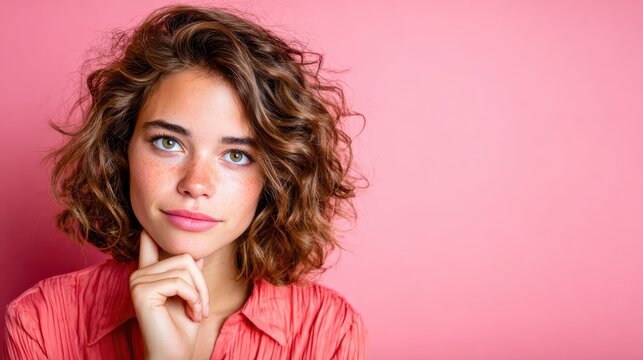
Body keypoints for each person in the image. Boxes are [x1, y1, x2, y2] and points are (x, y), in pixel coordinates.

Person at [4, 5, 367, 359]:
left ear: (274, 176)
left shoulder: (328, 332)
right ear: (121, 147)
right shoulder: (40, 322)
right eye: (168, 142)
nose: (196, 184)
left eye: (237, 155)